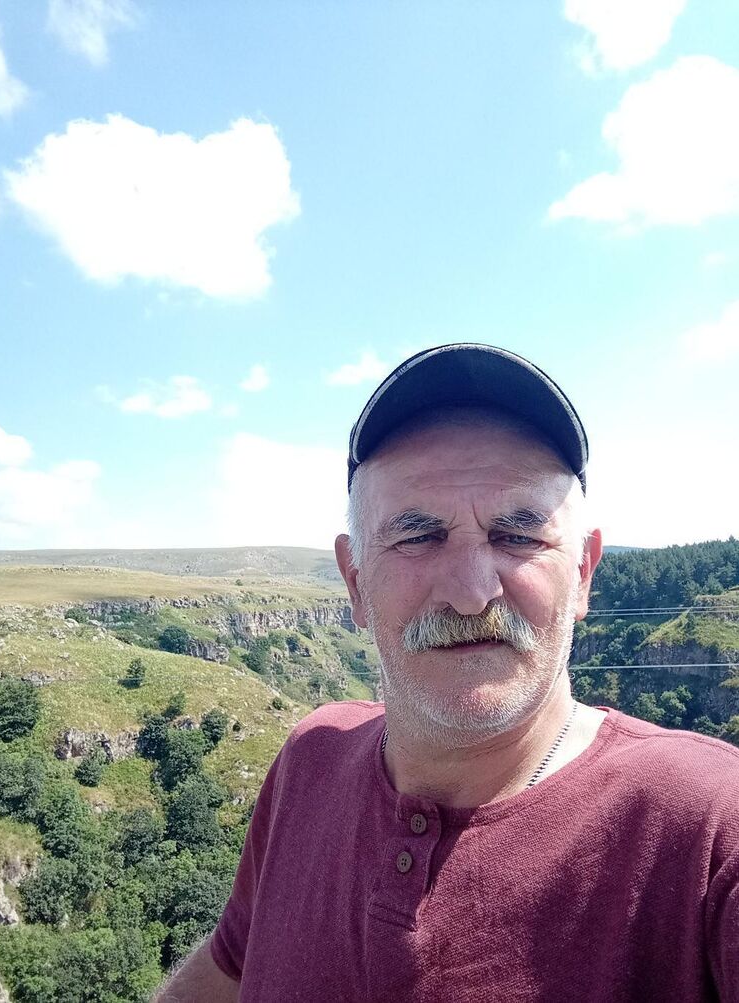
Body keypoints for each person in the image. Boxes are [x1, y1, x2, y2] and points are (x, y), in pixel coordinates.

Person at [153, 344, 739, 1002]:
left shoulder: (711, 831)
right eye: (418, 536)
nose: (470, 593)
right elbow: (228, 967)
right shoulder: (309, 761)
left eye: (517, 536)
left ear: (582, 573)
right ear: (355, 580)